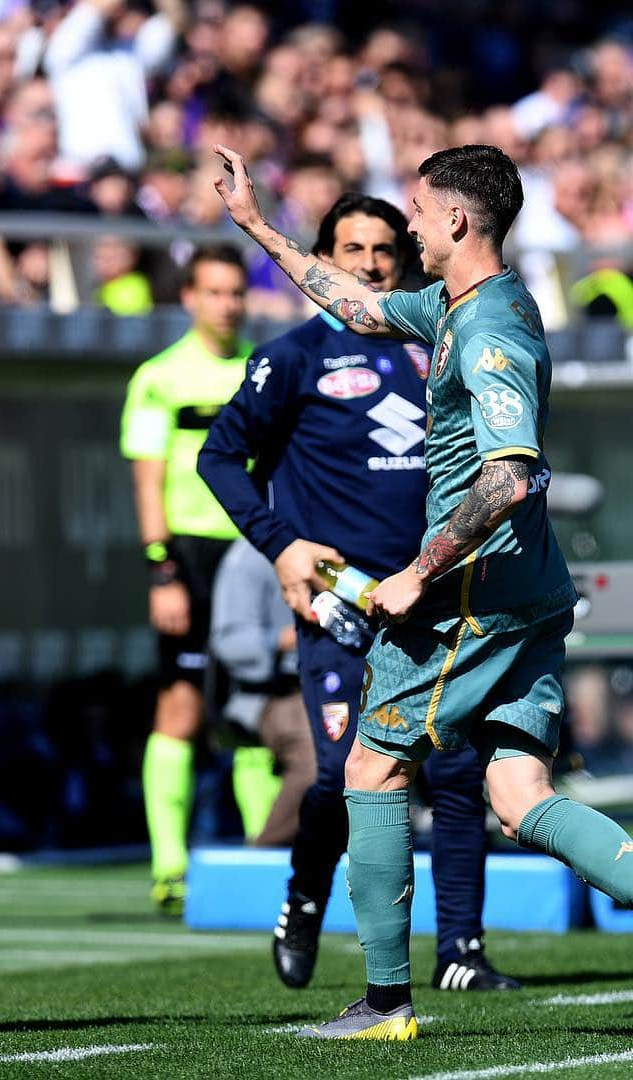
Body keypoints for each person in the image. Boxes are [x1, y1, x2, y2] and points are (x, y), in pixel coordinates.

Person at [211, 141, 633, 1040]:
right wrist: (256, 227)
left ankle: (386, 1002)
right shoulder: (458, 302)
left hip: (469, 596)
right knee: (517, 794)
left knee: (370, 767)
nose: (404, 226)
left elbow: (510, 473)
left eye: (415, 209)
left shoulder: (488, 331)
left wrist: (414, 574)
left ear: (453, 219)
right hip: (527, 590)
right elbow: (357, 309)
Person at [199, 193, 519, 995]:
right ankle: (305, 894)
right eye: (353, 248)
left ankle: (460, 951)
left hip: (434, 595)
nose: (372, 262)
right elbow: (217, 458)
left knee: (452, 772)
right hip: (340, 603)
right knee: (345, 772)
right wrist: (282, 548)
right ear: (323, 255)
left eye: (384, 249)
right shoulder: (291, 356)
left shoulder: (437, 346)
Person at [120, 244, 278, 915]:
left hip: (256, 551)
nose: (227, 305)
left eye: (236, 293)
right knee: (181, 706)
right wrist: (163, 570)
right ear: (188, 297)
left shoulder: (263, 369)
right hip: (189, 554)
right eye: (214, 292)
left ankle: (265, 850)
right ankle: (169, 866)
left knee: (257, 702)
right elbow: (148, 478)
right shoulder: (160, 376)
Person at [208, 536, 315, 847]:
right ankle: (266, 853)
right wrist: (299, 634)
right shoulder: (250, 555)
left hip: (343, 684)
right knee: (321, 755)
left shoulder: (341, 538)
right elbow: (231, 644)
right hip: (275, 692)